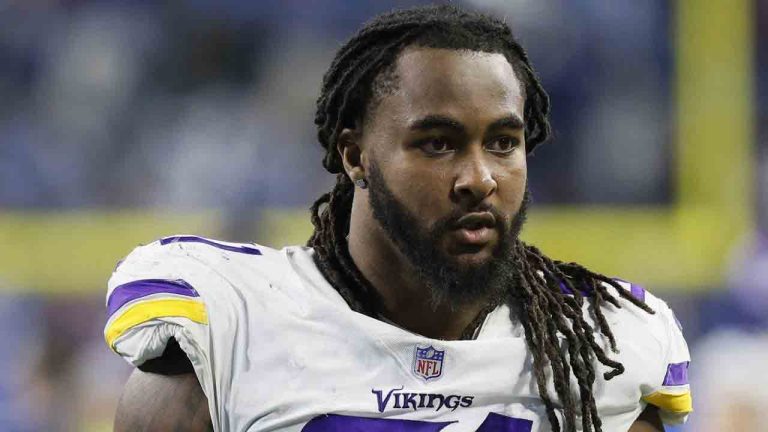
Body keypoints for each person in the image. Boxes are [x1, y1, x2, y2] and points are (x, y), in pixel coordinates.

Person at [105, 5, 692, 432]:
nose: (479, 177)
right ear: (355, 156)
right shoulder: (229, 327)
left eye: (504, 143)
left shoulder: (598, 346)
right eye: (437, 144)